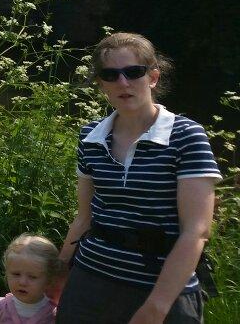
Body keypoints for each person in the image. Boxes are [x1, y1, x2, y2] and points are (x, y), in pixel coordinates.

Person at [56, 33, 222, 324]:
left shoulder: (186, 136)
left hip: (163, 290)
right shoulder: (89, 137)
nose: (123, 82)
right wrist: (56, 277)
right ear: (101, 84)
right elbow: (84, 219)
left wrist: (156, 308)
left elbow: (196, 231)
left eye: (133, 72)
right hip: (89, 284)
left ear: (153, 77)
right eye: (110, 74)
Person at [0, 234, 61, 323]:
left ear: (49, 280)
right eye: (16, 274)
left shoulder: (54, 314)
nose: (22, 282)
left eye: (32, 277)